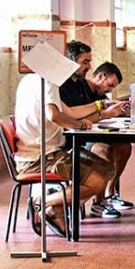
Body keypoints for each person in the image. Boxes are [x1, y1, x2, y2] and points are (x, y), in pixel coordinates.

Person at [14, 72, 119, 236]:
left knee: (107, 170)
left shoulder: (29, 79)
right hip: (41, 156)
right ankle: (42, 202)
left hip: (51, 151)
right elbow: (54, 115)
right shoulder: (48, 80)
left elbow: (69, 111)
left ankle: (55, 206)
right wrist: (79, 125)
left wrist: (101, 107)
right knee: (98, 182)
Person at [59, 51, 133, 217]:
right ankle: (98, 204)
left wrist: (119, 112)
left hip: (91, 134)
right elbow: (76, 118)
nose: (88, 66)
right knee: (104, 151)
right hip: (74, 139)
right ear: (101, 76)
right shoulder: (69, 87)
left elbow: (99, 112)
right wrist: (106, 113)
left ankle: (109, 193)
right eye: (85, 62)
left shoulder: (96, 93)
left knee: (124, 147)